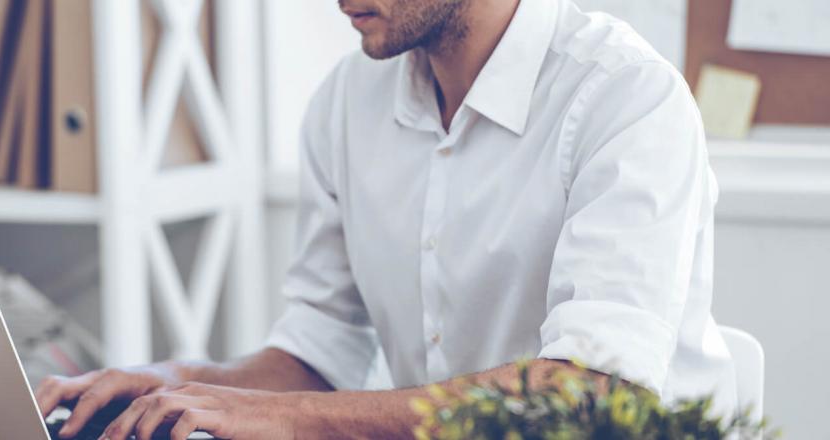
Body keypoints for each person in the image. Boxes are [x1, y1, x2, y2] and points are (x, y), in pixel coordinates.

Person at [36, 0, 737, 438]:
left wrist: (286, 423)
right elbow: (321, 353)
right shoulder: (347, 99)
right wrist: (180, 382)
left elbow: (591, 389)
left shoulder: (628, 98)